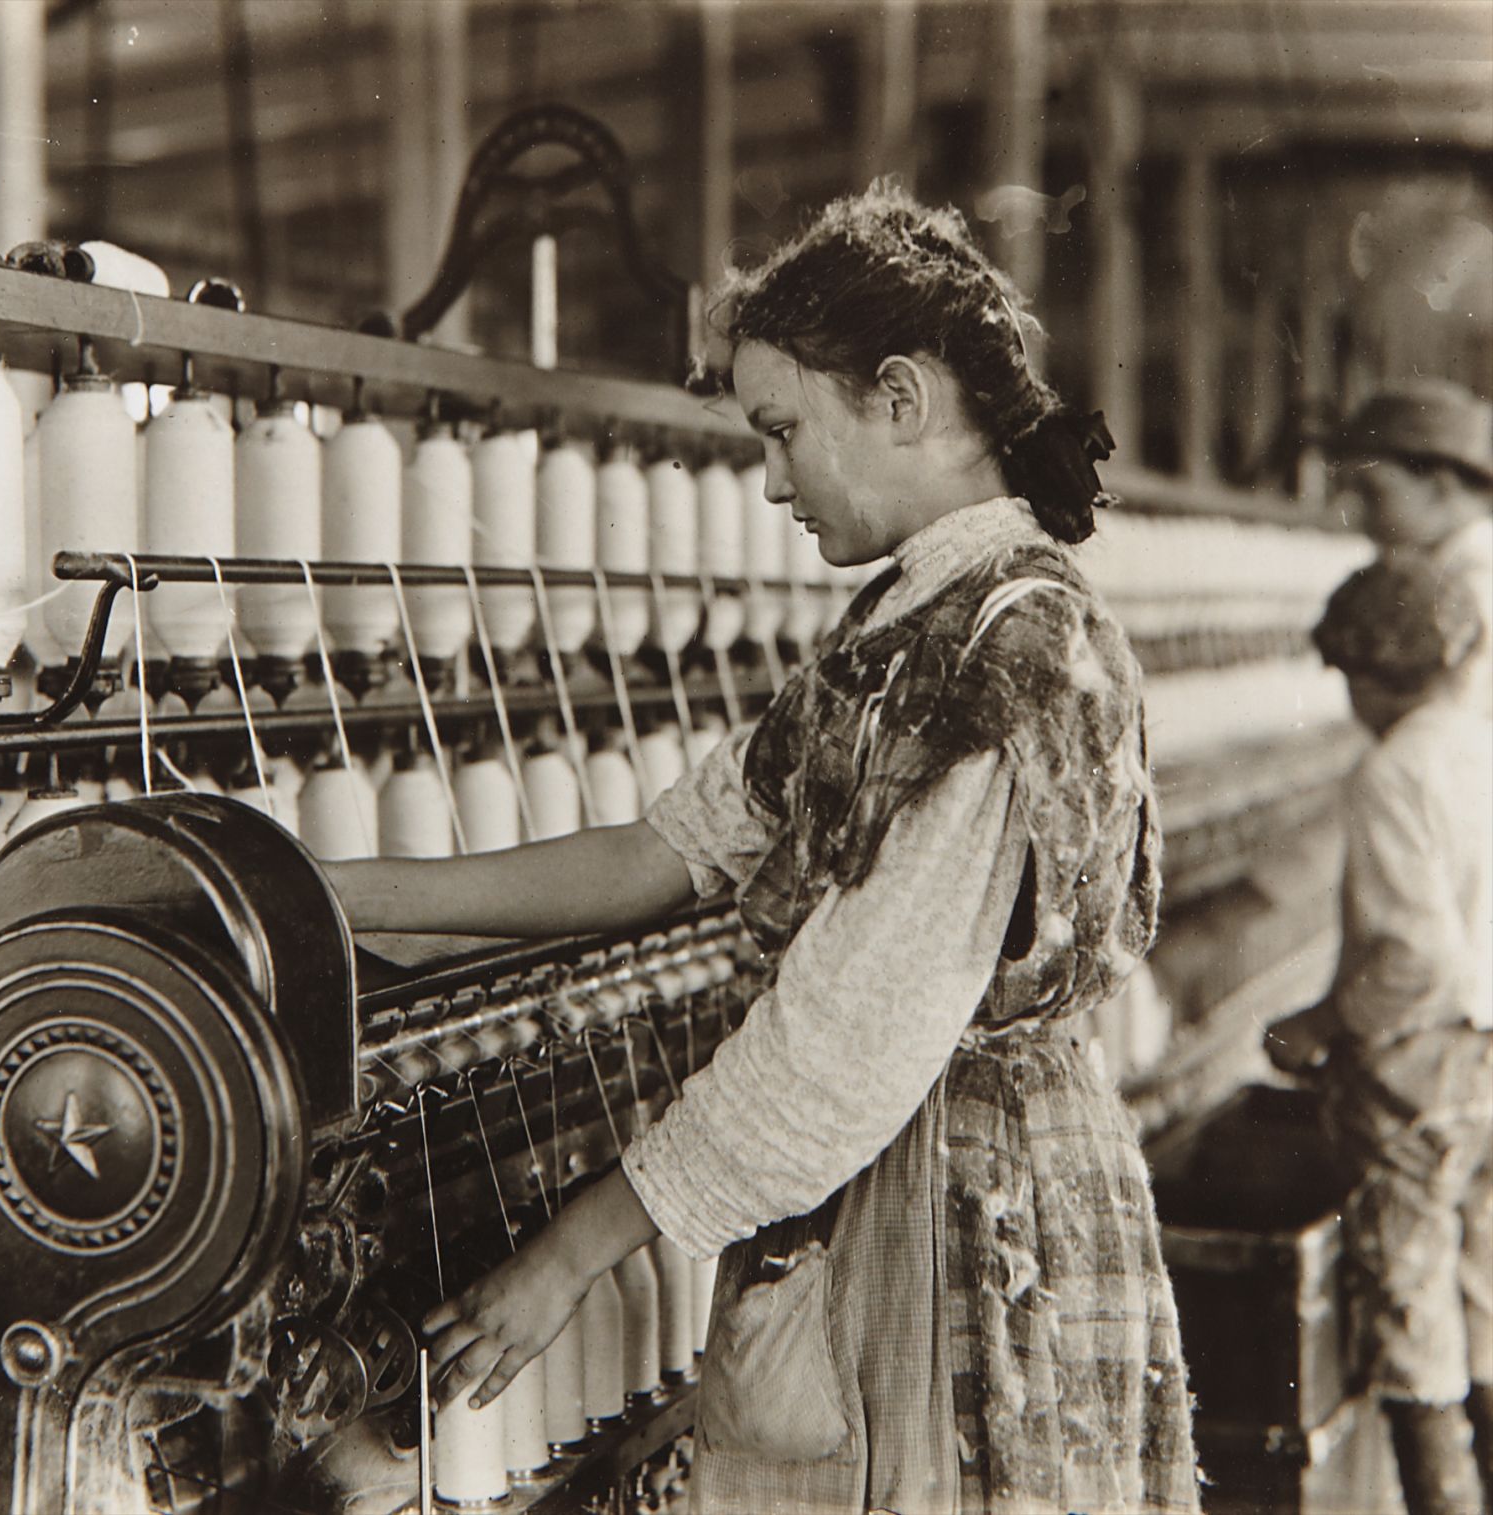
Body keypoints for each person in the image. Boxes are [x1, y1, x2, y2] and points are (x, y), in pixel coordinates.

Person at [325, 182, 1198, 1514]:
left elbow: (837, 1045)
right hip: (889, 1178)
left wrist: (569, 1253)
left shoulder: (1008, 651)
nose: (774, 480)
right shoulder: (900, 636)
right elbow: (656, 852)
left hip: (953, 1209)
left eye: (785, 431)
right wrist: (321, 897)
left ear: (899, 398)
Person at [1264, 558, 1493, 1515]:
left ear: (1371, 674)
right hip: (1483, 1057)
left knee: (1411, 1318)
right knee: (1480, 1297)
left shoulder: (1392, 771)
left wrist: (1317, 1024)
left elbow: (1414, 956)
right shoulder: (1478, 747)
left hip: (1420, 1071)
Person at [1331, 378, 1493, 710]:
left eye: (1371, 493)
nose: (1351, 513)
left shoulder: (1475, 582)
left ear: (1440, 486)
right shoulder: (1445, 568)